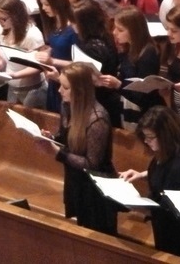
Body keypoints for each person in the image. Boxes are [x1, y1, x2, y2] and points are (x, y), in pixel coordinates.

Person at [37, 62, 117, 235]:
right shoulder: (67, 106)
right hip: (76, 181)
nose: (59, 91)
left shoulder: (98, 119)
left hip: (96, 190)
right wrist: (51, 138)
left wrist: (57, 152)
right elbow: (65, 137)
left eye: (65, 87)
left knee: (99, 237)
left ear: (80, 91)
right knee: (82, 231)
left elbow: (92, 163)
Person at [119, 107, 180, 261]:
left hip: (179, 234)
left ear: (165, 135)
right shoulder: (165, 154)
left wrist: (140, 208)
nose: (146, 141)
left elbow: (170, 207)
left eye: (150, 137)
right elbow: (162, 174)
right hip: (165, 227)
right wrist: (141, 175)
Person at [0, 0, 47, 107]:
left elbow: (41, 65)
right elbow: (4, 59)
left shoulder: (32, 34)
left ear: (15, 16)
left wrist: (15, 75)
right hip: (12, 88)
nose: (0, 22)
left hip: (32, 90)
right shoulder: (5, 30)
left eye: (3, 19)